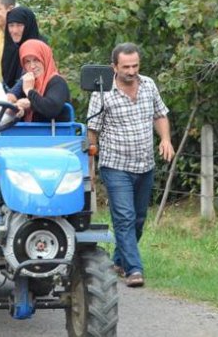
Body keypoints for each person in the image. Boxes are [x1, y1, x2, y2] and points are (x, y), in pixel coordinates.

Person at [86, 43, 175, 288]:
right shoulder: (102, 93)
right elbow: (92, 132)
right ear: (114, 67)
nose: (131, 71)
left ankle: (118, 260)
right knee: (124, 217)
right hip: (115, 166)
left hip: (145, 164)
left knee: (138, 219)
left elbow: (160, 114)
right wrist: (90, 168)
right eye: (126, 66)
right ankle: (134, 269)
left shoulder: (148, 85)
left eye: (135, 65)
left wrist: (165, 139)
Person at [15, 39, 70, 122]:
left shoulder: (57, 82)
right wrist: (18, 108)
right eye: (27, 62)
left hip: (55, 133)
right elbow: (11, 98)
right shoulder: (28, 81)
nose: (32, 66)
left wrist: (29, 91)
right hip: (29, 133)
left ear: (45, 59)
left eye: (36, 60)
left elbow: (51, 109)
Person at [1, 6, 44, 93]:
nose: (15, 30)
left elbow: (28, 76)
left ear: (28, 26)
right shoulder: (11, 49)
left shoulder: (38, 47)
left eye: (19, 25)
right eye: (11, 25)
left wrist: (11, 97)